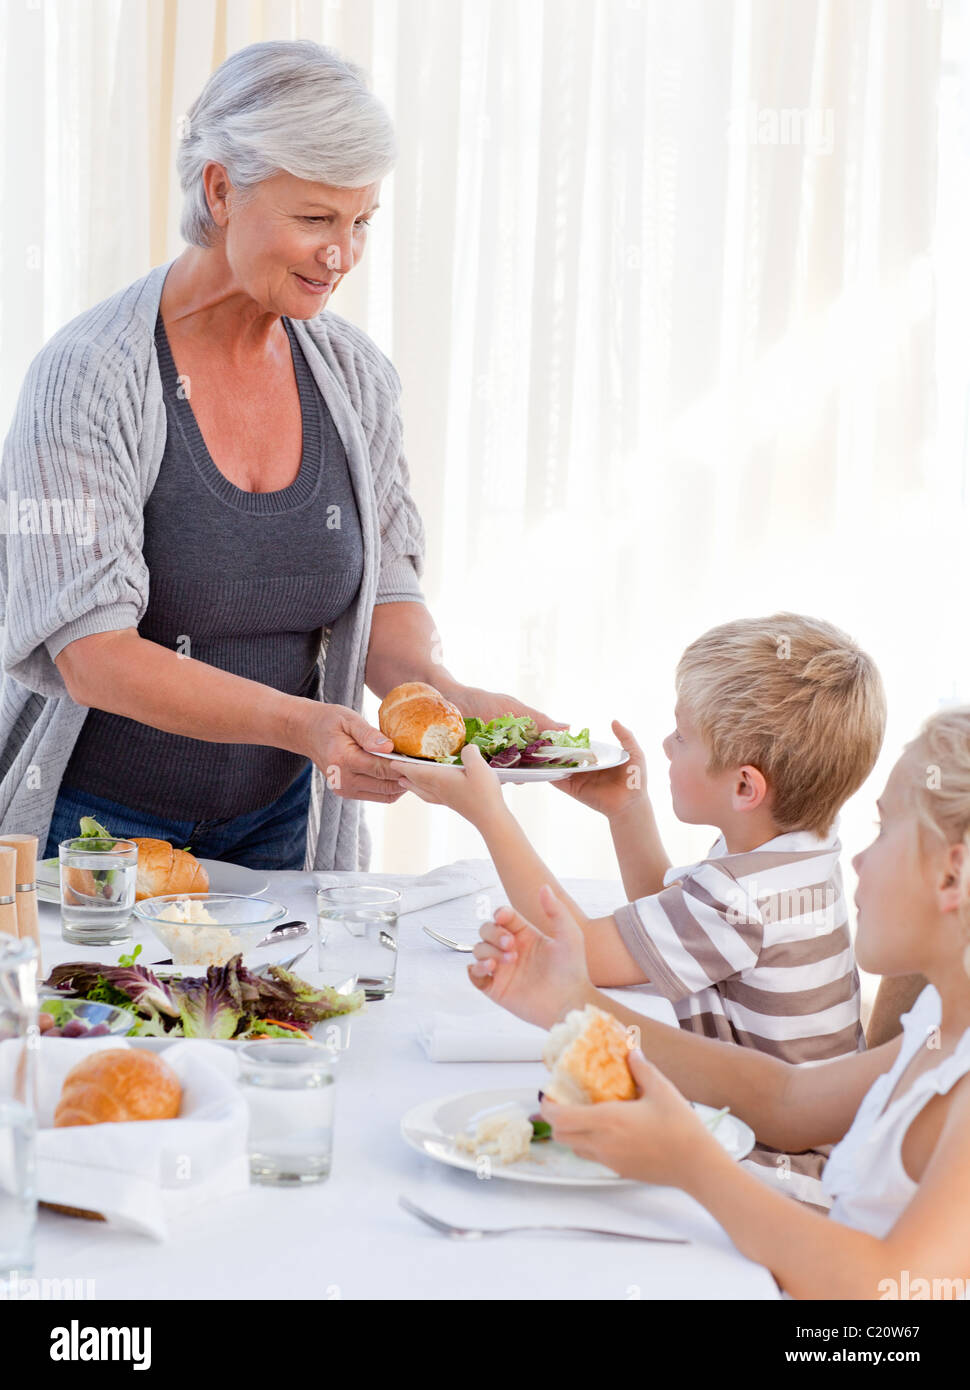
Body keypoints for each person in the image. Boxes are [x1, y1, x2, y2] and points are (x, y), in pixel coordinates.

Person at [0, 41, 560, 870]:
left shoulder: (353, 375)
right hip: (93, 830)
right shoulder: (89, 377)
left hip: (282, 825)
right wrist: (306, 727)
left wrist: (462, 705)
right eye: (314, 219)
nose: (343, 255)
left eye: (361, 221)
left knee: (303, 1004)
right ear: (220, 190)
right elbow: (96, 658)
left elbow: (387, 605)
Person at [463, 706, 970, 1299]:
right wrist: (570, 1003)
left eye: (884, 831)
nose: (857, 860)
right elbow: (786, 1099)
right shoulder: (940, 1025)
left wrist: (691, 1163)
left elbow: (885, 1290)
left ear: (950, 878)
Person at [396, 613, 886, 1204]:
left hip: (781, 1166)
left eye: (682, 737)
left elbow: (578, 952)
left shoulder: (742, 896)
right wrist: (628, 811)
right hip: (826, 1144)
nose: (664, 745)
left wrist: (489, 815)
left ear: (745, 788)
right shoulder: (798, 851)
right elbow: (670, 923)